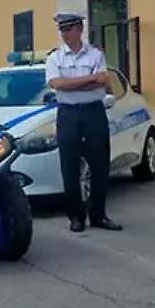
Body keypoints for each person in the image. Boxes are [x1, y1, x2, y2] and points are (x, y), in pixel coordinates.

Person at [45, 13, 121, 233]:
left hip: (93, 112)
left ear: (79, 29)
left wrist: (72, 83)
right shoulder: (55, 58)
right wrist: (90, 79)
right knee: (69, 166)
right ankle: (76, 216)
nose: (65, 34)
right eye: (62, 30)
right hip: (68, 113)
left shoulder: (96, 55)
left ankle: (98, 215)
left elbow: (103, 83)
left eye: (69, 29)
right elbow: (58, 84)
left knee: (99, 165)